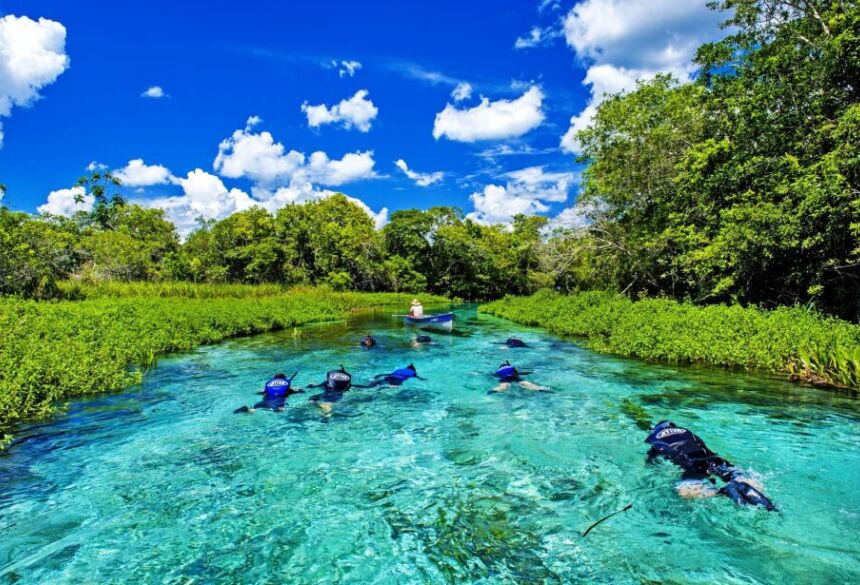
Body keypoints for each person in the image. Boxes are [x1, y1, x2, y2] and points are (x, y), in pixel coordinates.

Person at [644, 420, 776, 510]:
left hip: (692, 465)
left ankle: (722, 492)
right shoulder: (685, 431)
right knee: (735, 473)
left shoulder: (654, 439)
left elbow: (652, 464)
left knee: (682, 492)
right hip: (714, 460)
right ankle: (747, 484)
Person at [234, 372, 303, 413]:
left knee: (255, 408)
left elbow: (261, 392)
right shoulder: (288, 388)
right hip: (278, 400)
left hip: (266, 400)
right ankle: (248, 410)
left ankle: (247, 409)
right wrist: (300, 390)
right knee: (279, 410)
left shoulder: (269, 385)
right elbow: (299, 392)